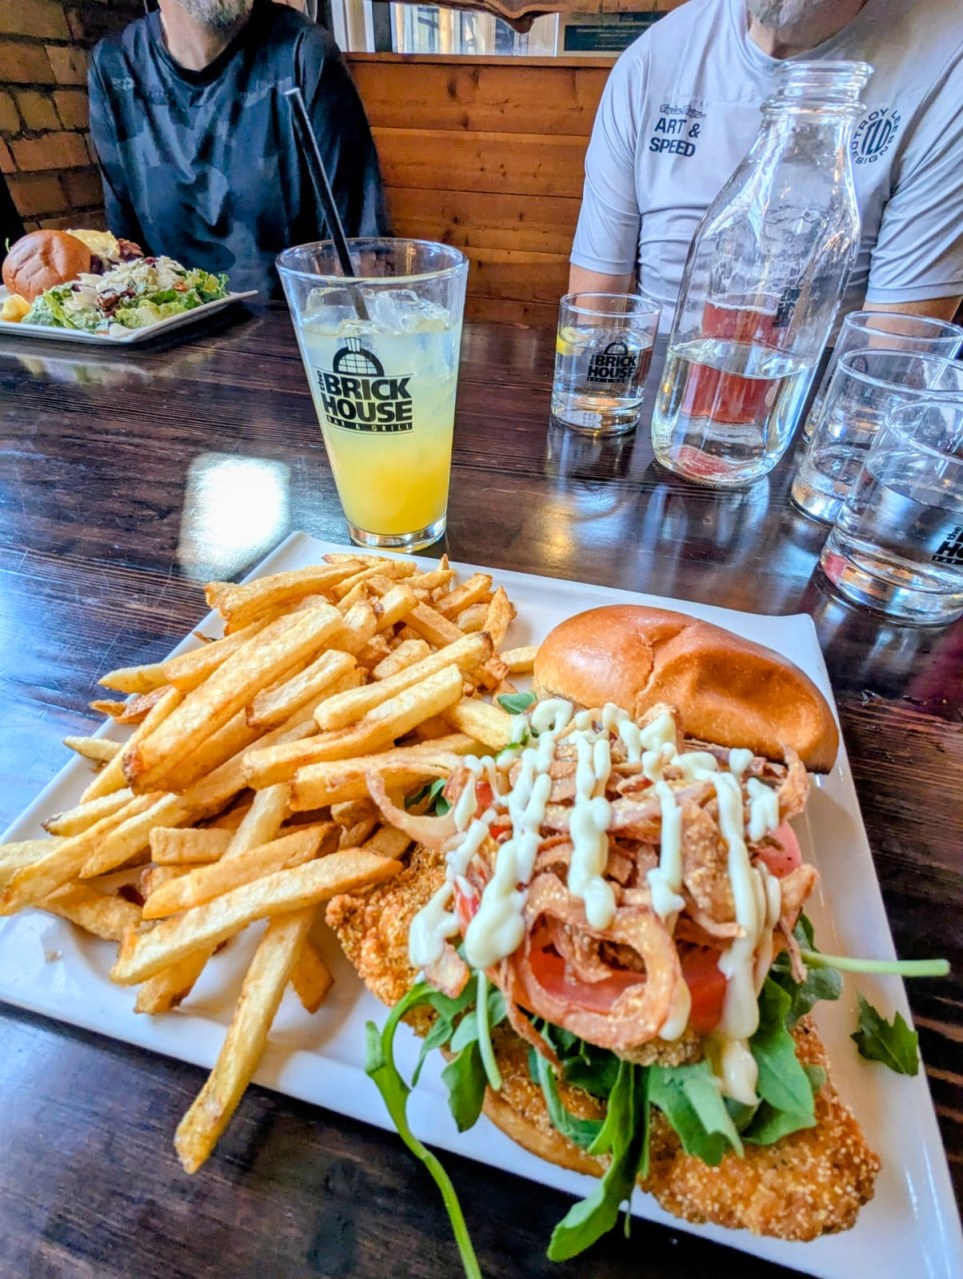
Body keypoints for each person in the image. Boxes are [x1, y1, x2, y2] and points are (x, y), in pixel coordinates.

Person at [569, 0, 963, 328]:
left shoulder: (947, 64)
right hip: (656, 386)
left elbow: (885, 373)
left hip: (811, 394)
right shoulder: (651, 60)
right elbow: (592, 314)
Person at [88, 0, 389, 296]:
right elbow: (125, 256)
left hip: (291, 331)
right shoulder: (113, 67)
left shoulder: (302, 51)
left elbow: (358, 258)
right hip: (169, 336)